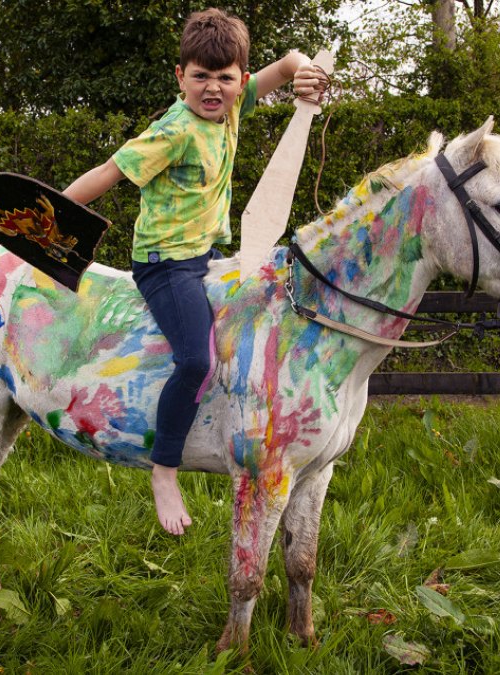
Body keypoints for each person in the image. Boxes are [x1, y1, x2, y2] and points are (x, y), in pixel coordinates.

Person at [63, 8, 328, 536]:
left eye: (225, 78)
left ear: (240, 82)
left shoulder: (230, 109)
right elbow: (112, 171)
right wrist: (51, 214)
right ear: (179, 76)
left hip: (207, 257)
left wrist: (304, 69)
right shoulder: (174, 130)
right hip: (165, 265)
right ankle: (164, 470)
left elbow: (283, 67)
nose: (213, 89)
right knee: (194, 361)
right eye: (200, 77)